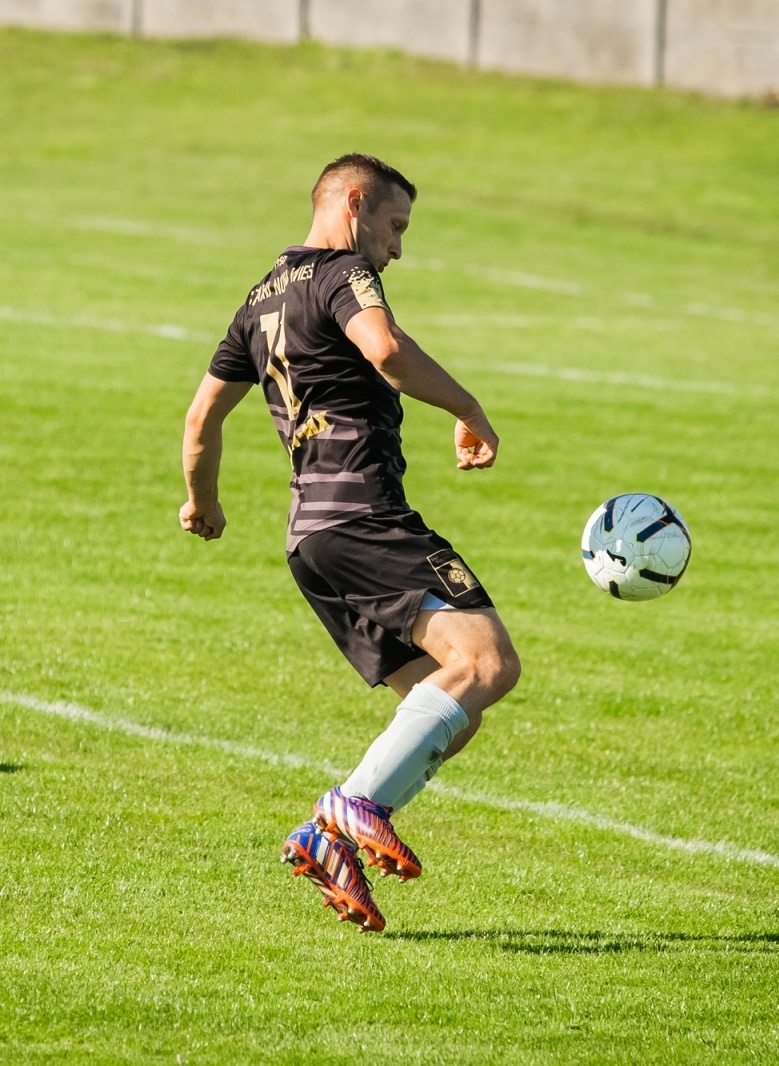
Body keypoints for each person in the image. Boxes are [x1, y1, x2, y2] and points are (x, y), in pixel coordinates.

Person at [179, 153, 522, 932]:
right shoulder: (341, 272)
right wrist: (469, 408)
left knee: (450, 708)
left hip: (311, 540)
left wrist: (202, 503)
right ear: (354, 203)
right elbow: (386, 349)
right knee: (486, 662)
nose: (397, 248)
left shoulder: (257, 300)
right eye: (395, 226)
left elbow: (201, 420)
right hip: (364, 516)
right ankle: (353, 805)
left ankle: (330, 839)